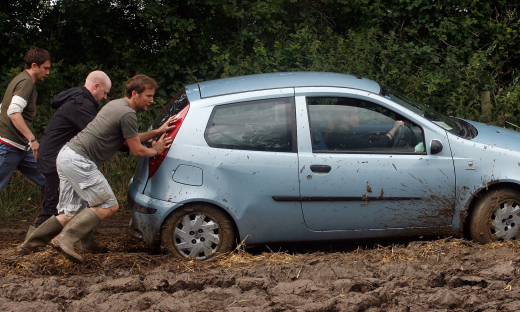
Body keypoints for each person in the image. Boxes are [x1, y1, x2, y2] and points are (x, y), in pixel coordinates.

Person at [20, 74, 177, 263]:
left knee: (69, 213)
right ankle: (65, 239)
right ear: (135, 94)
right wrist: (156, 150)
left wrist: (158, 132)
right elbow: (135, 149)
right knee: (108, 205)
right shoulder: (128, 114)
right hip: (79, 160)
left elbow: (130, 139)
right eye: (148, 96)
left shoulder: (116, 105)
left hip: (66, 155)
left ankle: (29, 245)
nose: (151, 100)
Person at [18, 71, 111, 255]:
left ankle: (87, 243)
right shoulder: (81, 105)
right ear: (96, 86)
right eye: (105, 93)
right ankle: (29, 246)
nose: (105, 97)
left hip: (57, 157)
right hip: (55, 160)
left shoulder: (79, 100)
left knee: (84, 201)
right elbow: (97, 133)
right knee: (53, 205)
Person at [0, 47, 51, 196]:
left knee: (49, 178)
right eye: (45, 68)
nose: (47, 72)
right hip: (8, 146)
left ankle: (53, 215)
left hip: (20, 147)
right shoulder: (26, 83)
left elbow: (3, 106)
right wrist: (32, 140)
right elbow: (14, 112)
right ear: (34, 66)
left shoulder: (23, 80)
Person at [324, 106, 404, 151]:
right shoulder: (346, 138)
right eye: (355, 114)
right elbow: (375, 146)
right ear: (346, 118)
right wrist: (394, 129)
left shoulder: (339, 133)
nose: (359, 117)